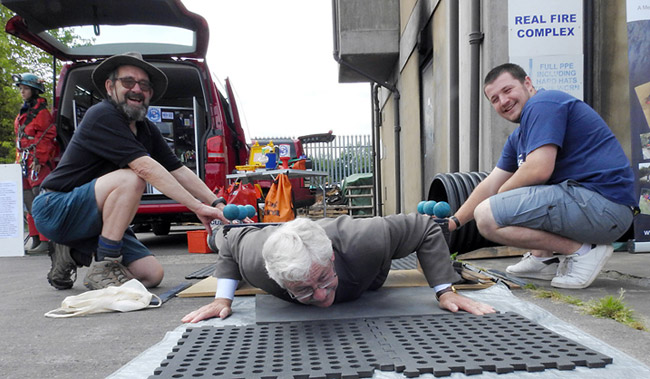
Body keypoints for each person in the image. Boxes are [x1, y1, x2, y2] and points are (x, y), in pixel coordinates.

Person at [32, 52, 230, 291]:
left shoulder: (146, 129)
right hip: (55, 207)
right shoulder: (102, 115)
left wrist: (217, 203)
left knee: (151, 275)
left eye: (144, 85)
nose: (137, 89)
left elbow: (178, 169)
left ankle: (72, 252)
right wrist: (197, 207)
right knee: (132, 178)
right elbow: (144, 167)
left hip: (97, 218)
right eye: (128, 82)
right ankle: (105, 265)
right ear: (109, 86)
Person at [446, 63, 637, 289]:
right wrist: (453, 222)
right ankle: (543, 258)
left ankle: (584, 252)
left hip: (606, 207)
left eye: (507, 90)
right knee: (494, 208)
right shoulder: (518, 137)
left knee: (488, 216)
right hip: (590, 206)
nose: (503, 101)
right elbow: (490, 184)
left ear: (528, 83)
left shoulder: (543, 104)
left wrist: (498, 200)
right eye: (495, 99)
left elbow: (538, 169)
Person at [182, 214, 495, 323]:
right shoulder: (255, 261)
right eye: (302, 289)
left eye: (321, 279)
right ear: (278, 280)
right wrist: (223, 299)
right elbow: (229, 239)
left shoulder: (366, 240)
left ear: (330, 257)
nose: (319, 296)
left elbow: (425, 228)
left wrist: (444, 290)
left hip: (366, 274)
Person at [13, 73, 57, 254]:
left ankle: (47, 239)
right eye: (21, 89)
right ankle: (36, 237)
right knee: (27, 198)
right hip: (23, 160)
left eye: (25, 89)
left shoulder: (42, 113)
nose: (22, 92)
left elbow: (47, 137)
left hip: (36, 161)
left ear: (34, 91)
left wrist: (39, 159)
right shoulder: (24, 112)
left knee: (40, 197)